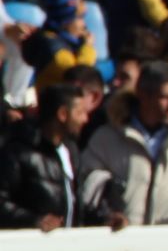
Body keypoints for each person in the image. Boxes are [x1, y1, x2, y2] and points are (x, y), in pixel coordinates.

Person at [78, 61, 168, 225]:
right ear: (143, 95)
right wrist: (108, 205)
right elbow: (84, 177)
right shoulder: (107, 138)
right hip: (122, 240)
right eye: (164, 97)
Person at [0, 84, 116, 231]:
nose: (85, 119)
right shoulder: (18, 151)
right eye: (80, 113)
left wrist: (105, 218)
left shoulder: (70, 151)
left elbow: (75, 205)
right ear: (63, 114)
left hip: (65, 248)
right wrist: (34, 221)